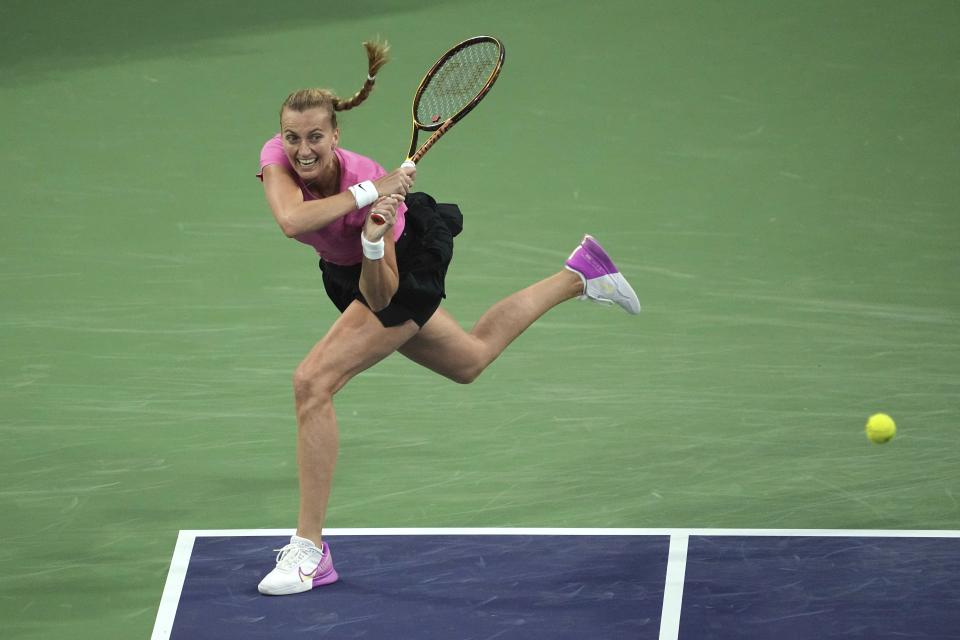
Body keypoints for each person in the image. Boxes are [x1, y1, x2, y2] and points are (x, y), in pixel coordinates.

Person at [254, 41, 641, 596]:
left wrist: (371, 236)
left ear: (336, 135)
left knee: (312, 384)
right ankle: (581, 274)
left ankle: (311, 551)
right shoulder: (285, 158)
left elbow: (383, 298)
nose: (302, 150)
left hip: (398, 269)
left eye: (316, 137)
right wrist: (371, 192)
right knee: (470, 359)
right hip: (343, 272)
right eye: (293, 137)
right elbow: (292, 220)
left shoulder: (367, 192)